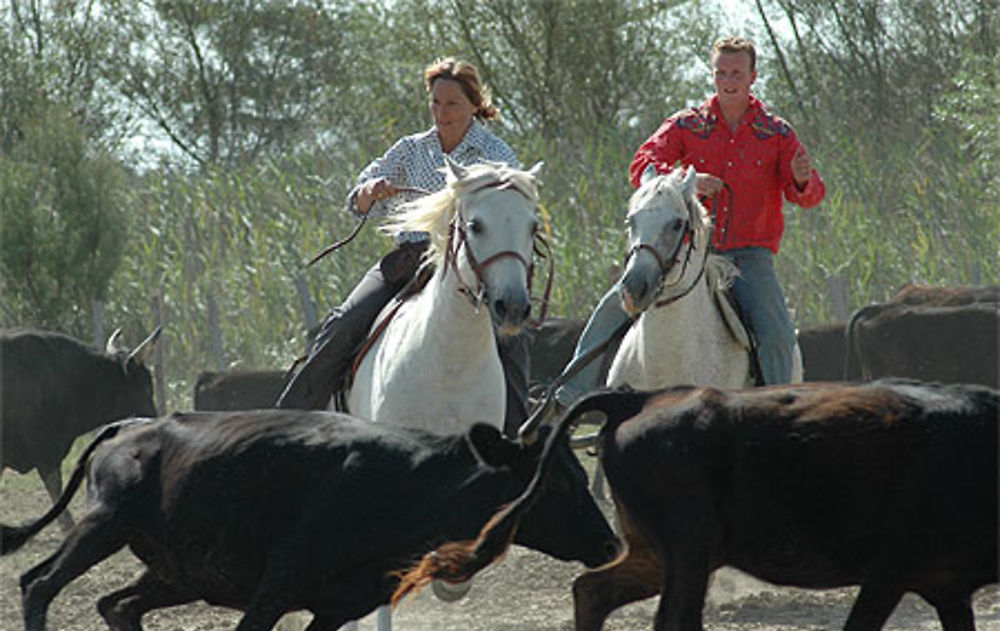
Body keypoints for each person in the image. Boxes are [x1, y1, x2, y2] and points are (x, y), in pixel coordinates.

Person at [554, 35, 825, 408]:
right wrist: (689, 180)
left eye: (737, 73)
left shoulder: (776, 133)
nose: (728, 80)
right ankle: (571, 392)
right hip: (685, 251)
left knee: (776, 333)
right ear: (712, 75)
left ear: (753, 77)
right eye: (721, 72)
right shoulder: (686, 125)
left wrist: (801, 178)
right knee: (617, 302)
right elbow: (643, 165)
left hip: (749, 259)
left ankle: (778, 412)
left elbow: (810, 196)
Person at [277, 57, 531, 435]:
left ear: (474, 105)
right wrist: (368, 192)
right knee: (344, 325)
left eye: (452, 104)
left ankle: (518, 444)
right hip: (408, 263)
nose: (441, 113)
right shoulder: (412, 149)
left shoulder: (496, 155)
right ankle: (285, 430)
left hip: (471, 268)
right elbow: (357, 199)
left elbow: (512, 210)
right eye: (435, 103)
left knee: (513, 341)